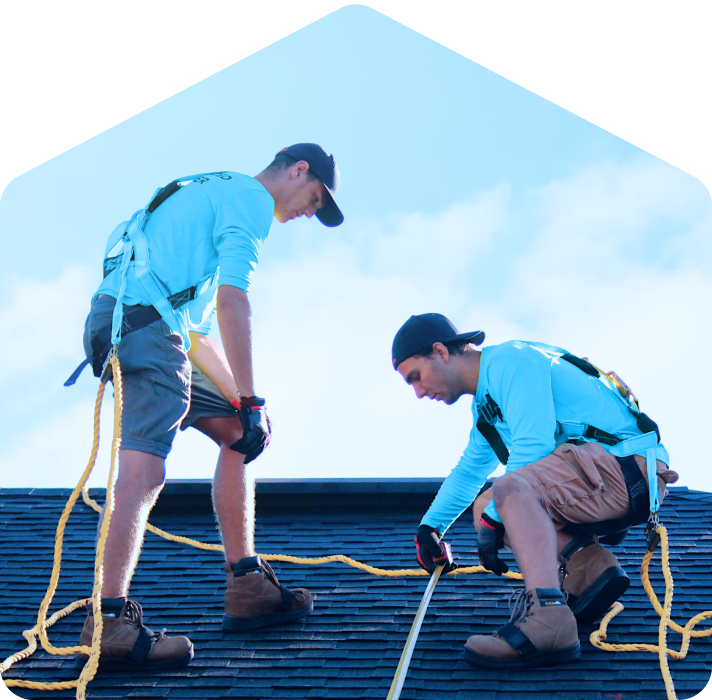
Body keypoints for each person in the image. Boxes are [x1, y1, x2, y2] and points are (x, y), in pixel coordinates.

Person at [68, 144, 344, 670]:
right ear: (298, 170)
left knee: (242, 434)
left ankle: (247, 585)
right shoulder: (250, 201)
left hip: (135, 325)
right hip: (145, 330)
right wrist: (256, 394)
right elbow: (233, 300)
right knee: (143, 471)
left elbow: (193, 334)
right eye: (315, 198)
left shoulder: (208, 193)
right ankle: (109, 622)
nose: (312, 211)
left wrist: (246, 405)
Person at [391, 313, 678, 669]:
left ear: (440, 351)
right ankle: (589, 565)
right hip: (601, 476)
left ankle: (550, 618)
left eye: (415, 377)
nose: (418, 393)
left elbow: (533, 445)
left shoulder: (511, 362)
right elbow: (469, 470)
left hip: (626, 469)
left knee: (508, 490)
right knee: (486, 502)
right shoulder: (488, 408)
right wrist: (429, 528)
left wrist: (498, 517)